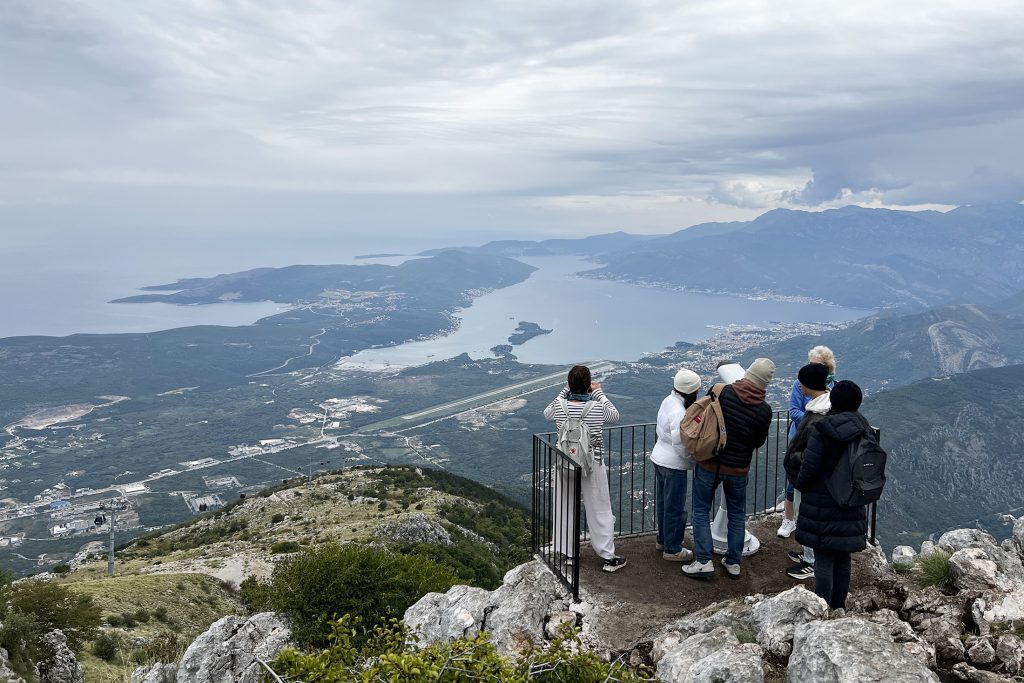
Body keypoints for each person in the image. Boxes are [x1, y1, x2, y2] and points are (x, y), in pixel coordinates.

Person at [683, 358, 774, 580]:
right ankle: (733, 562)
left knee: (702, 510)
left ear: (748, 373)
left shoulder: (722, 391)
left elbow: (703, 419)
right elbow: (758, 442)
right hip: (738, 468)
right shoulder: (764, 410)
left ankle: (703, 561)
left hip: (709, 463)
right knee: (737, 514)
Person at [794, 380, 870, 610]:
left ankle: (823, 608)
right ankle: (839, 607)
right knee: (843, 557)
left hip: (822, 500)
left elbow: (810, 465)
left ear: (834, 400)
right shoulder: (864, 428)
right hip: (851, 500)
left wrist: (801, 485)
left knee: (824, 558)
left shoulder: (823, 428)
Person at [544, 364, 627, 572]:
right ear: (588, 385)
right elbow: (614, 415)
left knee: (565, 506)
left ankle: (569, 553)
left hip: (565, 462)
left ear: (570, 384)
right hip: (592, 463)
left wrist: (564, 390)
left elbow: (547, 413)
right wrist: (598, 391)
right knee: (599, 507)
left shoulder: (560, 406)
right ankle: (608, 556)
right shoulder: (597, 408)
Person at [778, 346, 837, 538]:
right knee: (794, 479)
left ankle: (809, 524)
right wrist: (813, 422)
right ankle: (789, 519)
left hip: (823, 440)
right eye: (809, 363)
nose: (811, 367)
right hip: (800, 437)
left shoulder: (835, 385)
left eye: (815, 364)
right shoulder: (799, 384)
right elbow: (794, 410)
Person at [782, 363, 831, 580]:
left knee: (808, 517)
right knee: (806, 515)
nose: (799, 386)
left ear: (809, 385)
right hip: (814, 476)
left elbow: (812, 449)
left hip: (809, 477)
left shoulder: (818, 414)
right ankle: (808, 554)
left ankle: (811, 562)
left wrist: (795, 459)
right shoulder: (827, 405)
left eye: (801, 382)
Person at [650, 368, 702, 562]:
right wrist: (693, 460)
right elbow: (680, 443)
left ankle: (663, 539)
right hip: (673, 464)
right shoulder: (679, 412)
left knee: (664, 503)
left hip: (659, 458)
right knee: (676, 508)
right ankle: (672, 549)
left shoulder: (668, 401)